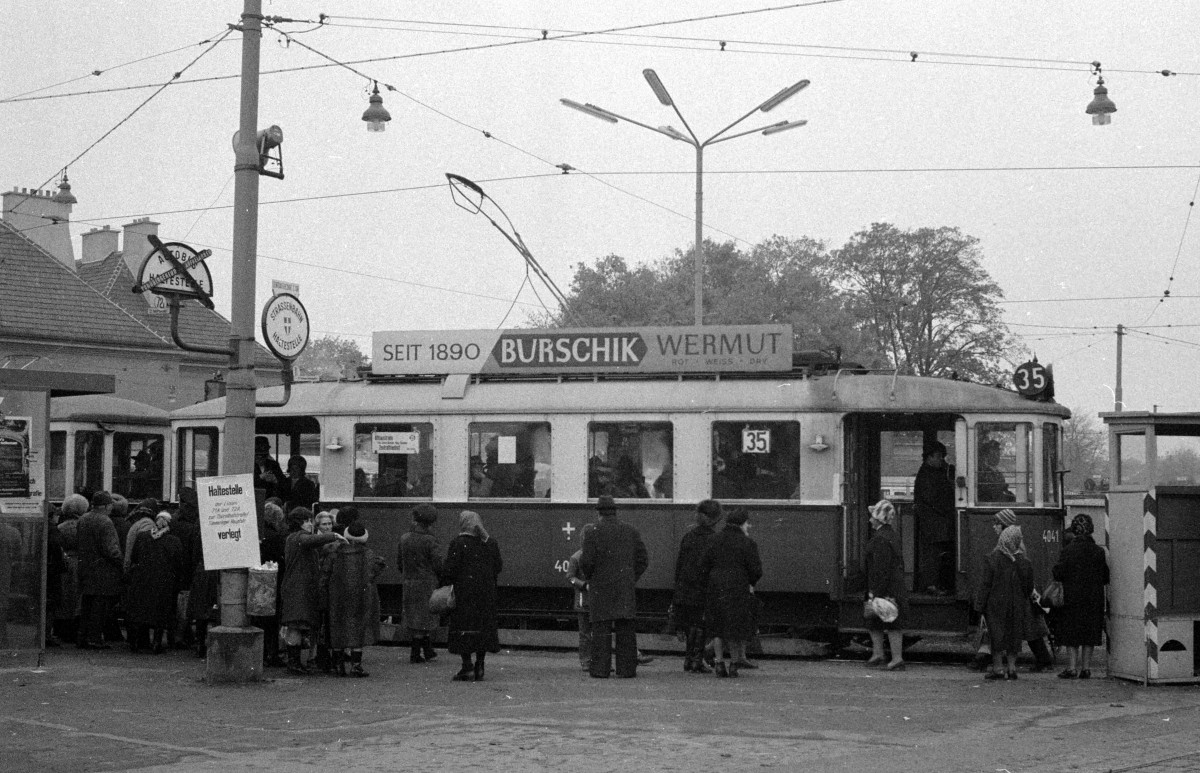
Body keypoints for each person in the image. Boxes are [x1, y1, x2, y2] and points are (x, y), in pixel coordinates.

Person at [580, 495, 648, 679]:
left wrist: (592, 578)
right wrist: (631, 578)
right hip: (624, 587)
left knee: (601, 630)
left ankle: (600, 670)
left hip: (600, 588)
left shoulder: (592, 532)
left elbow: (586, 562)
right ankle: (626, 669)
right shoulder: (630, 531)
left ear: (599, 513)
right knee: (626, 629)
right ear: (615, 511)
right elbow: (643, 559)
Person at [280, 507, 344, 675]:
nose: (310, 524)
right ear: (299, 523)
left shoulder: (292, 538)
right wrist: (334, 536)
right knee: (296, 625)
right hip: (299, 589)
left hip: (296, 588)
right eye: (307, 521)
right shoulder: (299, 537)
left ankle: (294, 662)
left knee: (296, 625)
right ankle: (294, 664)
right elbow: (310, 541)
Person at [700, 507, 762, 678]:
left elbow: (703, 565)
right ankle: (734, 664)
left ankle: (719, 664)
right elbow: (756, 570)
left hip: (716, 587)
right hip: (738, 588)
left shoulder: (713, 539)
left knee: (718, 628)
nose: (749, 526)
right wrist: (750, 581)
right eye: (747, 523)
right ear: (741, 524)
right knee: (735, 627)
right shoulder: (748, 543)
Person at [443, 511, 503, 682]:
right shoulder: (489, 543)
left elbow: (450, 570)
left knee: (465, 629)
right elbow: (498, 566)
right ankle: (480, 665)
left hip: (464, 595)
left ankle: (467, 666)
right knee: (482, 629)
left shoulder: (457, 543)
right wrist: (486, 537)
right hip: (485, 594)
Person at [324, 522, 386, 677]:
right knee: (358, 627)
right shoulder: (368, 554)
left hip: (337, 595)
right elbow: (373, 572)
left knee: (337, 626)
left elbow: (325, 574)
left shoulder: (335, 552)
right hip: (360, 595)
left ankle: (338, 665)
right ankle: (356, 666)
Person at [975, 524, 1035, 681]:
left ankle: (998, 669)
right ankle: (1012, 668)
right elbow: (1029, 588)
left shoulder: (992, 559)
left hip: (996, 604)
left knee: (996, 635)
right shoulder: (1025, 562)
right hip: (1017, 604)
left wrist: (980, 606)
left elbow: (985, 585)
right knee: (1014, 635)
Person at [1052, 513, 1109, 679]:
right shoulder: (1098, 551)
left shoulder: (1068, 551)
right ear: (1091, 529)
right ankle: (1086, 668)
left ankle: (1071, 668)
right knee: (1089, 633)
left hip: (1072, 598)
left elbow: (1058, 573)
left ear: (1074, 530)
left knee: (1072, 633)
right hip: (1093, 598)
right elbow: (1105, 576)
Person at [673, 499, 722, 673]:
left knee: (690, 624)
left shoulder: (688, 536)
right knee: (700, 624)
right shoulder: (715, 539)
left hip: (686, 586)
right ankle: (697, 660)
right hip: (703, 587)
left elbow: (680, 565)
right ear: (715, 519)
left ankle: (689, 660)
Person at [124, 510, 183, 654]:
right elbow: (178, 564)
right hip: (163, 581)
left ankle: (135, 643)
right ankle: (156, 643)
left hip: (142, 579)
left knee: (140, 611)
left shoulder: (142, 536)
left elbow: (134, 557)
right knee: (160, 613)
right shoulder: (174, 541)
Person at [76, 491, 124, 650]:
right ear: (105, 506)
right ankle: (94, 639)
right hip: (103, 571)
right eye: (110, 505)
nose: (111, 508)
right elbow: (111, 550)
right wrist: (121, 563)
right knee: (100, 607)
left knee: (87, 605)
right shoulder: (105, 522)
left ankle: (82, 637)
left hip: (85, 568)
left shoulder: (83, 519)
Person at [863, 499, 907, 671]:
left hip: (885, 587)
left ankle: (894, 659)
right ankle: (879, 654)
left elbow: (881, 569)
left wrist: (875, 593)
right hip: (893, 585)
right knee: (879, 620)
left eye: (872, 517)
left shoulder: (880, 539)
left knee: (888, 621)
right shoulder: (891, 535)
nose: (870, 520)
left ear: (879, 518)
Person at [399, 503, 442, 664]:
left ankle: (426, 651)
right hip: (427, 583)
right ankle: (416, 653)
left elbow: (399, 563)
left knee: (415, 618)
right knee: (425, 618)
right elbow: (438, 564)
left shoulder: (404, 538)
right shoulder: (431, 540)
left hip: (409, 581)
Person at [914, 440, 956, 594]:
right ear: (929, 457)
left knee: (936, 555)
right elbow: (935, 499)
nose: (941, 460)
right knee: (933, 556)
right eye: (938, 457)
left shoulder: (932, 472)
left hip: (936, 522)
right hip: (933, 522)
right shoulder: (926, 476)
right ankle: (931, 585)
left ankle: (935, 584)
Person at [55, 494, 88, 644]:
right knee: (77, 597)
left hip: (64, 562)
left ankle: (61, 628)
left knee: (64, 595)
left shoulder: (60, 528)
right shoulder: (83, 526)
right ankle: (74, 628)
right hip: (79, 562)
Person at [565, 523, 596, 671]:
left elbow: (570, 577)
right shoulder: (576, 557)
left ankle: (590, 660)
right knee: (586, 634)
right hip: (584, 600)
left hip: (588, 600)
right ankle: (586, 661)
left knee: (588, 634)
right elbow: (570, 577)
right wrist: (584, 585)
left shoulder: (576, 557)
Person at [45, 505, 66, 646]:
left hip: (45, 568)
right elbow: (57, 549)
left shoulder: (41, 528)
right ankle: (46, 635)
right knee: (52, 604)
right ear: (52, 516)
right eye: (57, 515)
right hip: (53, 572)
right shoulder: (53, 530)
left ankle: (43, 634)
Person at [253, 436, 288, 501]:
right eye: (257, 456)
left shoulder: (273, 465)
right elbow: (245, 483)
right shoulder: (248, 466)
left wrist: (275, 480)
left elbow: (284, 483)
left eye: (263, 456)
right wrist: (260, 477)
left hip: (271, 499)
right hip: (253, 499)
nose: (260, 459)